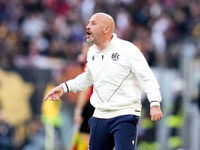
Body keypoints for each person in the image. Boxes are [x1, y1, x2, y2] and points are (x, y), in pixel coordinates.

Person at [44, 12, 163, 150]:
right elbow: (87, 78)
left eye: (93, 23)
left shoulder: (128, 49)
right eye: (88, 22)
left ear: (106, 29)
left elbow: (147, 76)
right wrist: (64, 87)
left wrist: (154, 102)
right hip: (99, 115)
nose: (87, 26)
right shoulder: (92, 53)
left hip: (124, 115)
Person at [71, 42, 94, 150]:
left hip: (90, 105)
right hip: (101, 105)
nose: (83, 51)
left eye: (84, 48)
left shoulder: (89, 64)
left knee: (87, 138)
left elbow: (85, 90)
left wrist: (78, 111)